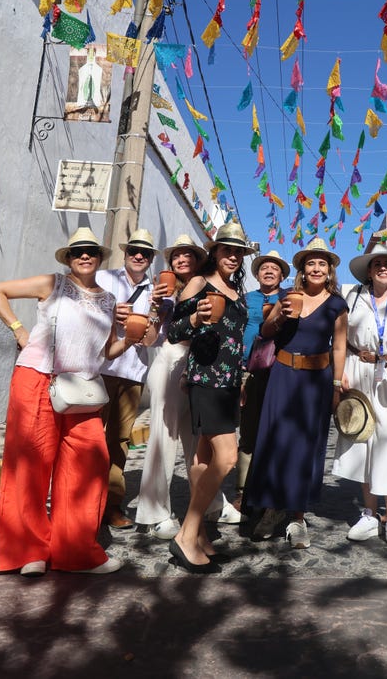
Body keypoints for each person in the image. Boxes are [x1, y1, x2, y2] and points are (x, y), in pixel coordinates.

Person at [0, 227, 135, 576]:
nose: (85, 256)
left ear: (99, 257)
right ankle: (29, 552)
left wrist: (130, 340)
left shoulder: (109, 300)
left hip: (81, 390)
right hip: (38, 380)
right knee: (31, 467)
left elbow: (106, 351)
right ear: (68, 257)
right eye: (78, 251)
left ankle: (75, 552)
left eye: (91, 251)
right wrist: (19, 330)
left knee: (88, 467)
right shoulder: (53, 284)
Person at [245, 237, 348, 550]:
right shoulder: (289, 295)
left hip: (317, 380)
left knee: (307, 446)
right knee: (275, 441)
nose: (316, 268)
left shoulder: (337, 304)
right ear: (303, 269)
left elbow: (340, 346)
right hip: (283, 376)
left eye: (322, 264)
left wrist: (336, 385)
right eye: (311, 263)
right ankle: (271, 509)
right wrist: (280, 317)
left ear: (329, 271)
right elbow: (265, 332)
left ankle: (297, 516)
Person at [134, 235, 239, 539]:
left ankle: (211, 502)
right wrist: (155, 307)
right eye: (176, 257)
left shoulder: (208, 283)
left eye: (187, 255)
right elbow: (151, 339)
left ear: (198, 259)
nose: (181, 261)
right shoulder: (164, 292)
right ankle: (155, 511)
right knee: (163, 437)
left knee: (198, 440)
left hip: (199, 366)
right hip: (171, 360)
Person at [166, 222, 256, 573]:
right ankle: (186, 535)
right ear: (215, 252)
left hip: (230, 383)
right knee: (228, 457)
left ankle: (201, 536)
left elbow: (234, 342)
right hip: (206, 381)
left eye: (239, 252)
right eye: (227, 250)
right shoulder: (199, 284)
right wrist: (194, 317)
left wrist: (242, 379)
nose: (233, 256)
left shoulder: (236, 292)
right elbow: (173, 331)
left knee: (203, 459)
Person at [333, 244, 387, 552]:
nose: (383, 267)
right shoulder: (353, 298)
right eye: (377, 263)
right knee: (362, 441)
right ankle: (369, 514)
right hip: (358, 370)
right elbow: (339, 337)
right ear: (369, 271)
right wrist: (340, 371)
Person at [98, 227, 158, 528]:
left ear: (150, 259)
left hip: (133, 373)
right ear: (126, 252)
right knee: (88, 439)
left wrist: (155, 316)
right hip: (99, 370)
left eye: (145, 253)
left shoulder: (156, 291)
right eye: (134, 250)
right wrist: (110, 312)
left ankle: (111, 504)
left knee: (119, 441)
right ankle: (80, 501)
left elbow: (154, 341)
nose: (138, 256)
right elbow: (84, 313)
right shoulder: (105, 278)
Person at [235, 250, 289, 512]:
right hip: (250, 370)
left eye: (274, 268)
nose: (269, 271)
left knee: (276, 432)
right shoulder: (245, 300)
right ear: (257, 274)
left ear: (281, 275)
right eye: (264, 268)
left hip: (280, 373)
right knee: (248, 431)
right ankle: (243, 491)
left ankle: (269, 490)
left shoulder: (289, 299)